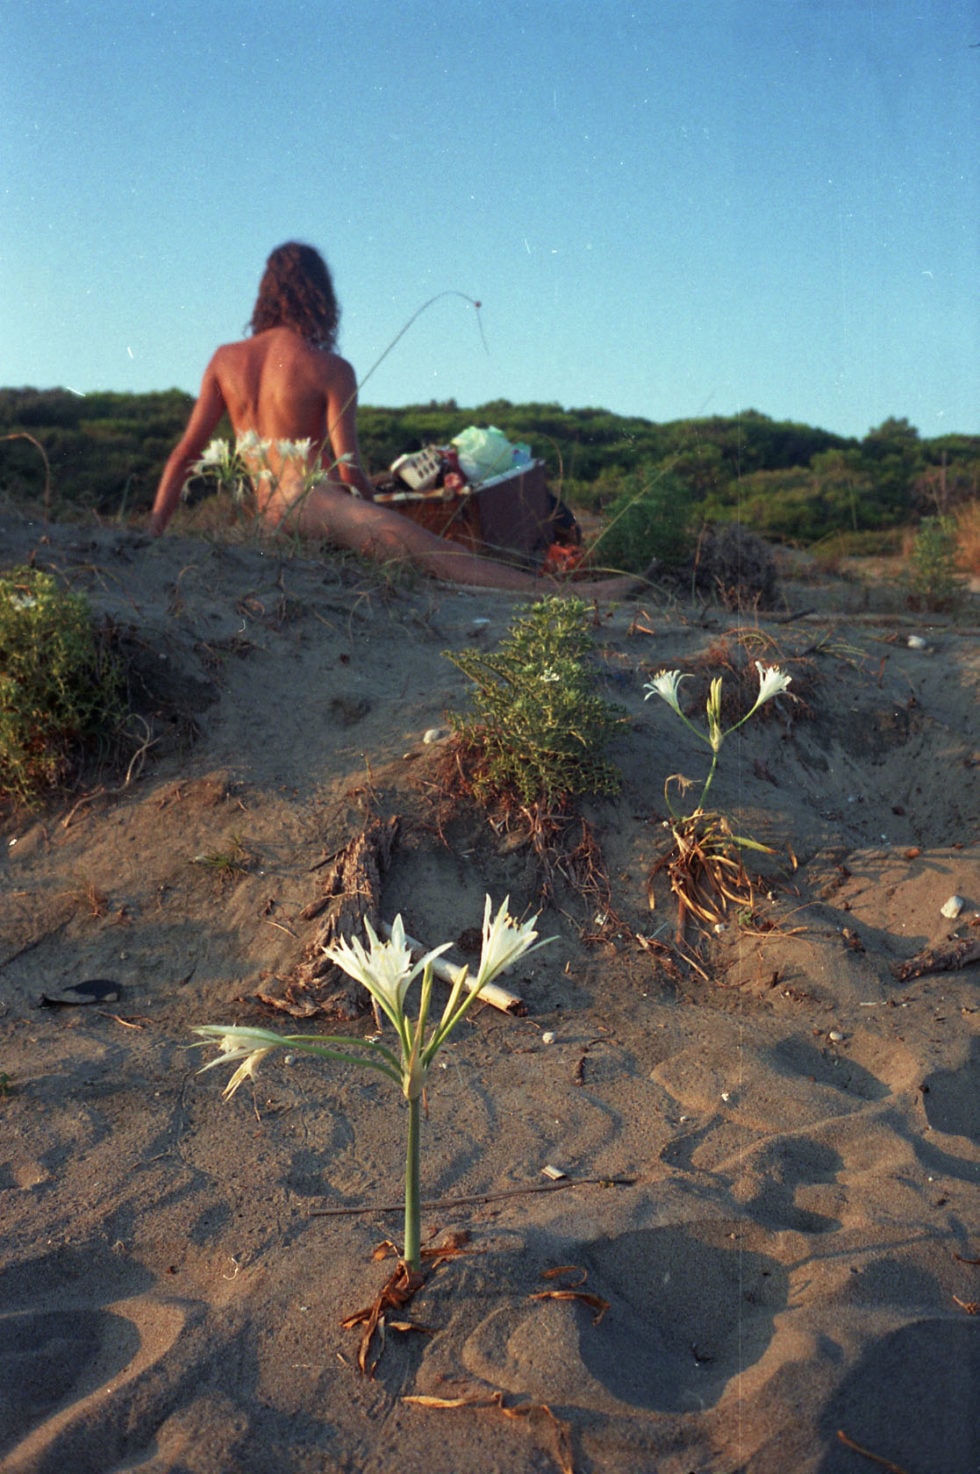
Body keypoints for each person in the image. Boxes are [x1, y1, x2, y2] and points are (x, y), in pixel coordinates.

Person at [150, 242, 643, 596]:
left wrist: (153, 533)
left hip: (263, 516)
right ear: (319, 297)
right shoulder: (330, 368)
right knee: (437, 555)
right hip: (314, 505)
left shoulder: (225, 360)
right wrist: (374, 510)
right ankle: (571, 597)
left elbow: (184, 455)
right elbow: (349, 470)